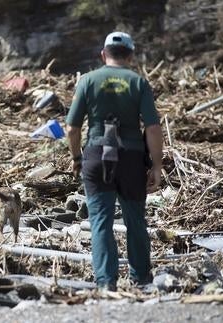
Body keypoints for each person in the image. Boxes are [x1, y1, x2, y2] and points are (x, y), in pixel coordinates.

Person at [65, 31, 163, 291]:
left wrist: (76, 158)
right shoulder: (138, 82)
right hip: (131, 158)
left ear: (103, 54)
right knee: (135, 220)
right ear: (131, 55)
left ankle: (106, 282)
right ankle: (141, 279)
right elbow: (153, 128)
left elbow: (71, 128)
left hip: (97, 155)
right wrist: (156, 165)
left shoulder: (87, 80)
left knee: (100, 221)